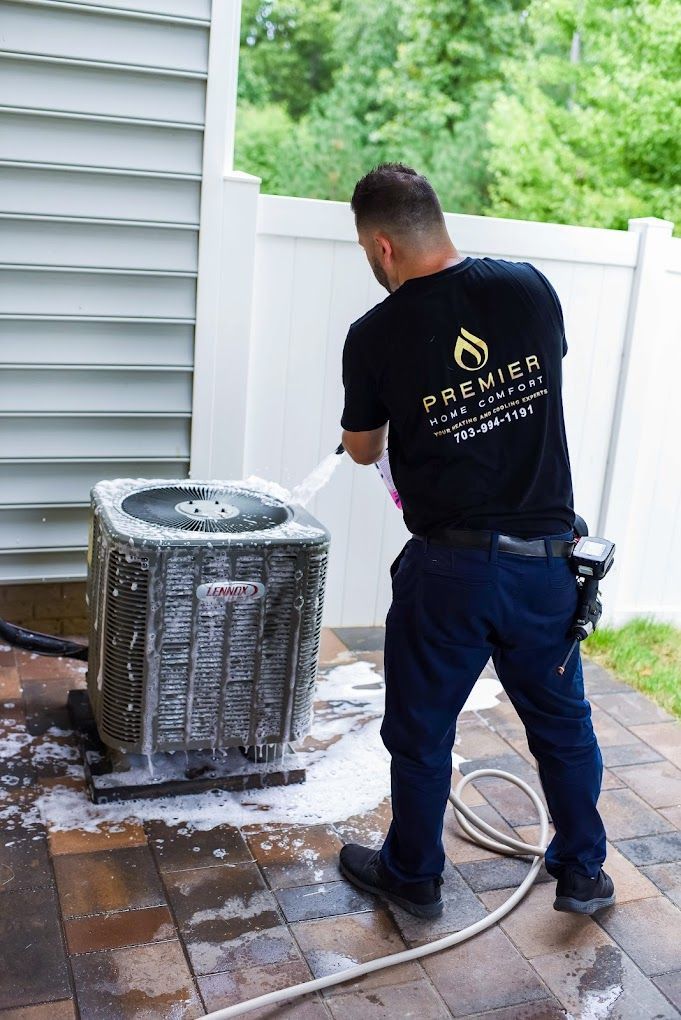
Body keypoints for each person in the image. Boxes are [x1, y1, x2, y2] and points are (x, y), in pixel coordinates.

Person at [337, 163, 614, 919]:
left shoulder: (374, 334)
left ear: (382, 245)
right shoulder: (526, 288)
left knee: (422, 733)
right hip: (546, 564)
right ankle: (583, 871)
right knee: (561, 725)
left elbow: (361, 448)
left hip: (450, 571)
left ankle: (415, 876)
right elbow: (539, 379)